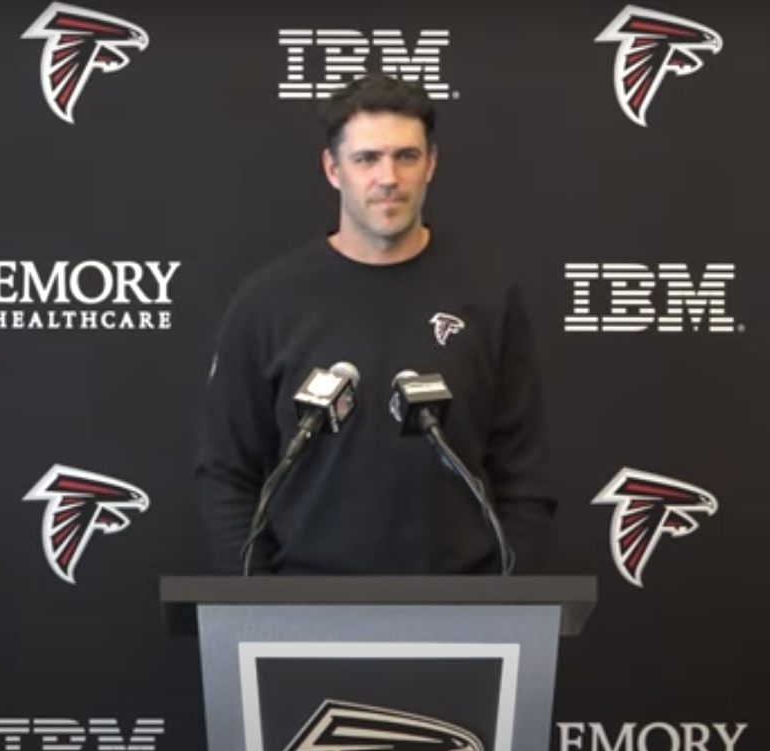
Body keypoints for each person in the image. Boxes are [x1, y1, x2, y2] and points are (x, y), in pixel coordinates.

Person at [194, 73, 556, 575]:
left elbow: (525, 476)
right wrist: (260, 602)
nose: (388, 177)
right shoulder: (267, 301)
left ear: (431, 163)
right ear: (332, 169)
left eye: (406, 157)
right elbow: (226, 474)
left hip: (466, 612)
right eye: (366, 159)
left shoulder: (488, 297)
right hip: (301, 609)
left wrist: (507, 597)